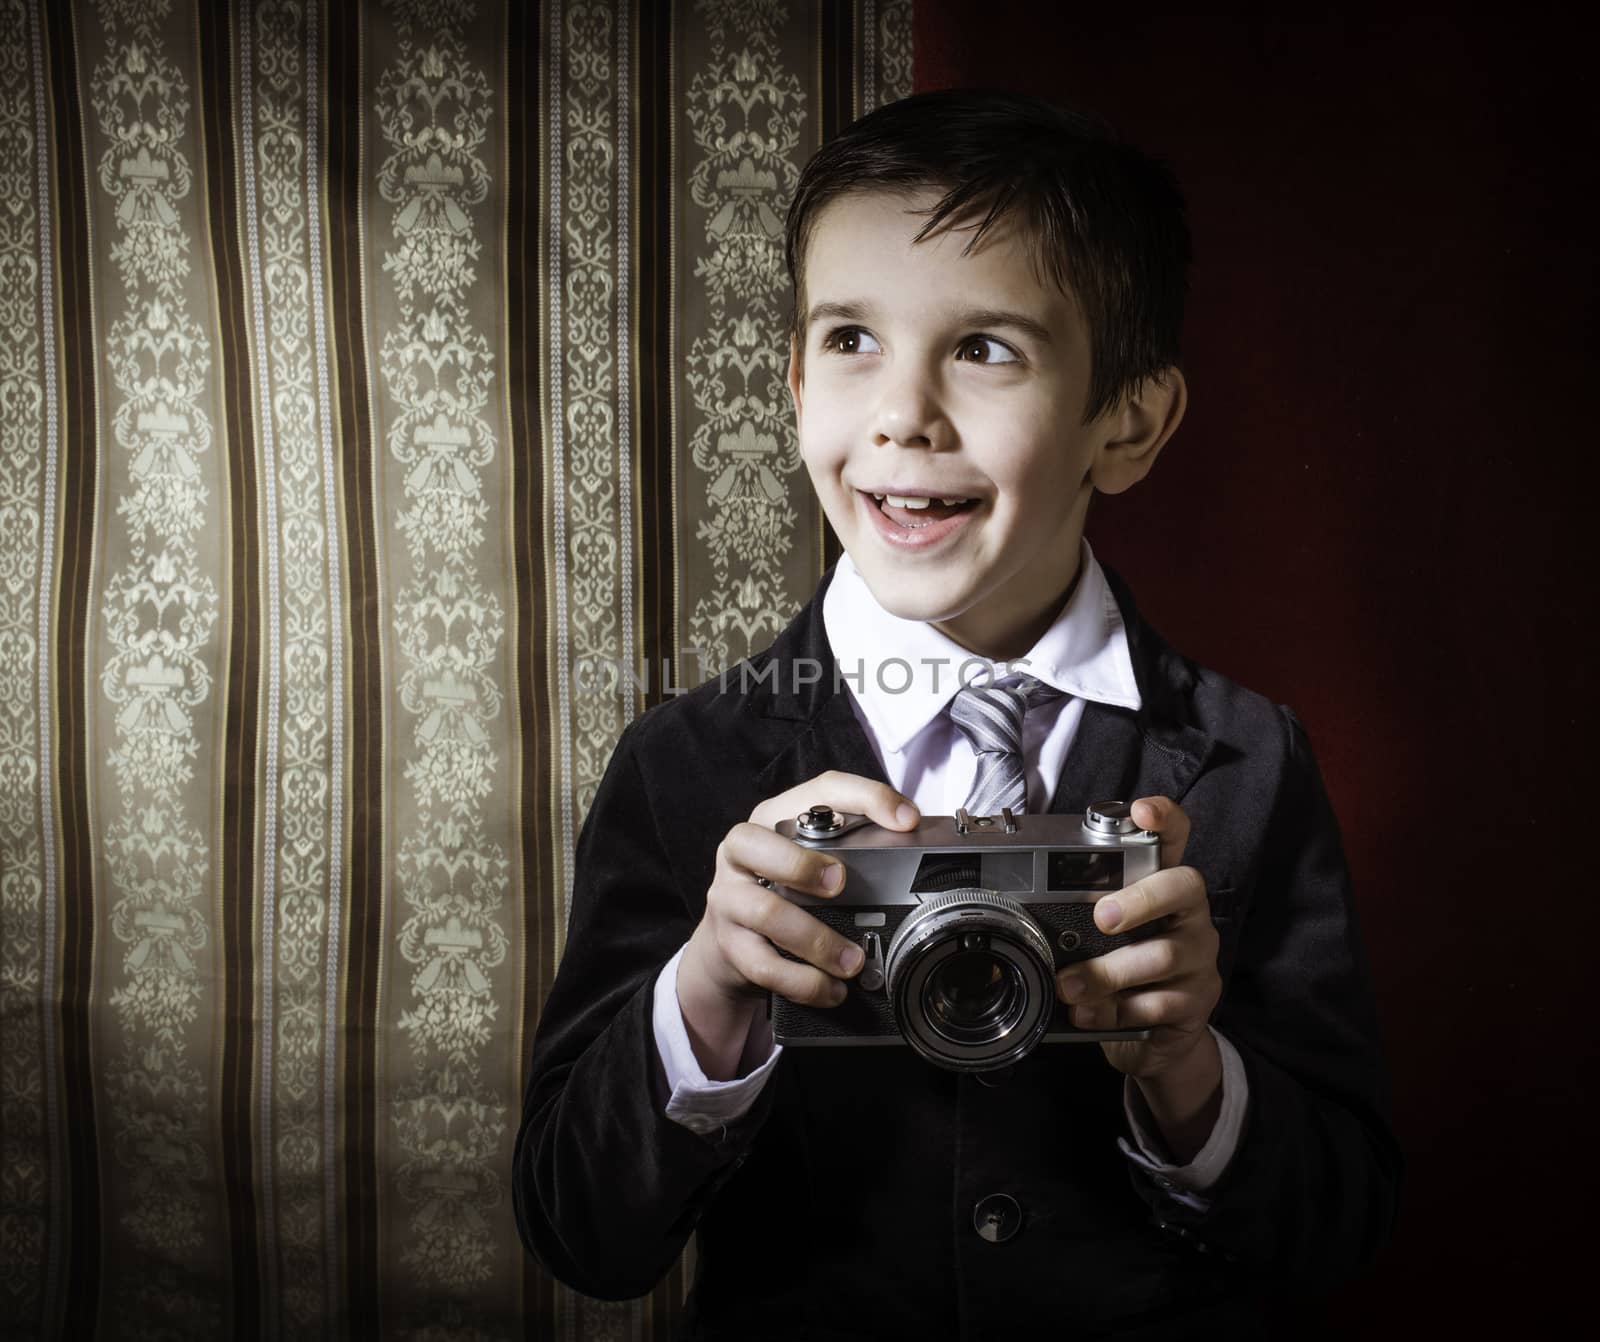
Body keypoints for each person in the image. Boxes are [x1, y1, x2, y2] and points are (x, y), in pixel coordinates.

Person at [513, 88, 1400, 1340]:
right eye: (849, 340)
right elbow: (578, 1232)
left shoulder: (1247, 761)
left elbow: (1342, 1229)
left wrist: (1192, 1071)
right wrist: (709, 988)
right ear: (791, 378)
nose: (901, 413)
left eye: (985, 348)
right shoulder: (689, 762)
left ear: (1128, 423)